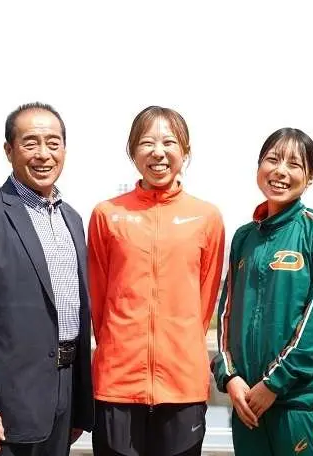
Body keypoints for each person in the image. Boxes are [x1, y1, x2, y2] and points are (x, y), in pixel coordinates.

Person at [0, 102, 94, 456]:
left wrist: (78, 401)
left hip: (64, 395)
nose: (43, 154)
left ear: (64, 150)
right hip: (8, 404)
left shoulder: (73, 220)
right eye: (31, 143)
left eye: (53, 143)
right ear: (9, 150)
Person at [87, 105, 226, 456]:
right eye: (147, 142)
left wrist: (179, 348)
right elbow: (98, 300)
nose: (158, 152)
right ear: (132, 151)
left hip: (182, 385)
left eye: (169, 142)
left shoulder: (206, 217)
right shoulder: (107, 215)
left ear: (186, 151)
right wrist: (118, 349)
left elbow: (204, 302)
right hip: (117, 383)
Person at [211, 128, 313, 456]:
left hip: (299, 405)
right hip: (247, 405)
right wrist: (230, 377)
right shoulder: (244, 238)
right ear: (259, 166)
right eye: (273, 160)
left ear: (311, 177)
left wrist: (274, 383)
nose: (280, 171)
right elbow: (227, 315)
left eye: (294, 164)